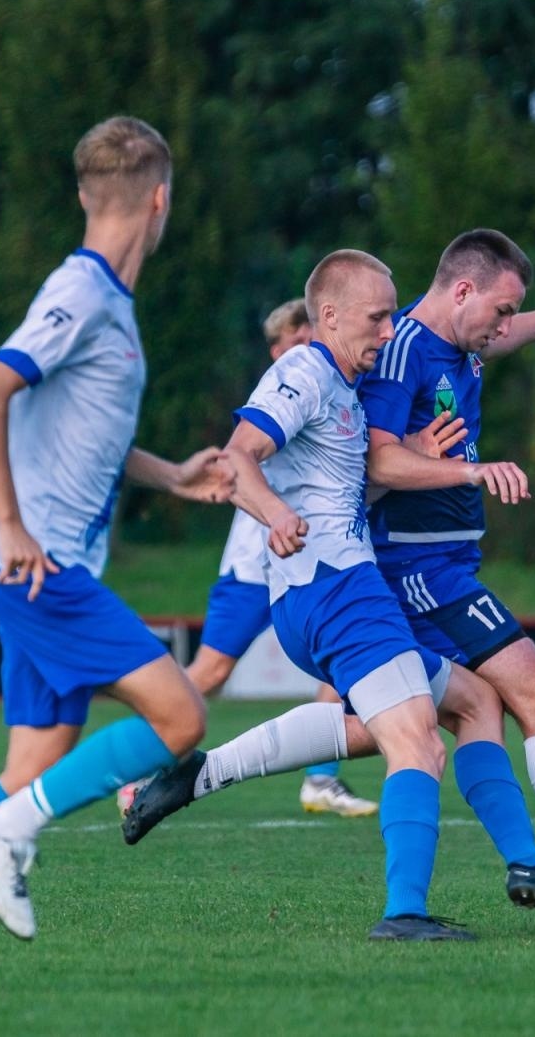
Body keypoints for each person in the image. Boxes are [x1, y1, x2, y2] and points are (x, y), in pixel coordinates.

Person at [127, 230, 535, 929]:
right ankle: (420, 907)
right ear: (331, 315)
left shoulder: (355, 374)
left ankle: (201, 774)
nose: (388, 329)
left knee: (466, 706)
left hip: (349, 580)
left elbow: (372, 451)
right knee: (429, 736)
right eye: (376, 316)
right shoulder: (321, 367)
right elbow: (252, 456)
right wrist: (451, 470)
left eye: (392, 314)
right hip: (359, 581)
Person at [0, 115, 224, 994]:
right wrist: (10, 523)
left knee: (30, 766)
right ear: (160, 201)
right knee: (181, 719)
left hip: (51, 567)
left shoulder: (109, 306)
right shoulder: (84, 291)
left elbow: (80, 438)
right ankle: (7, 833)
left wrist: (173, 475)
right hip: (39, 568)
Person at [150, 298, 379, 818]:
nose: (309, 352)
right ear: (277, 351)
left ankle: (320, 780)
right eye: (297, 343)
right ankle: (142, 760)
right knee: (210, 671)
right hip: (256, 562)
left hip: (311, 558)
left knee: (343, 666)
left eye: (312, 339)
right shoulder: (289, 390)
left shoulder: (336, 385)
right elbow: (246, 459)